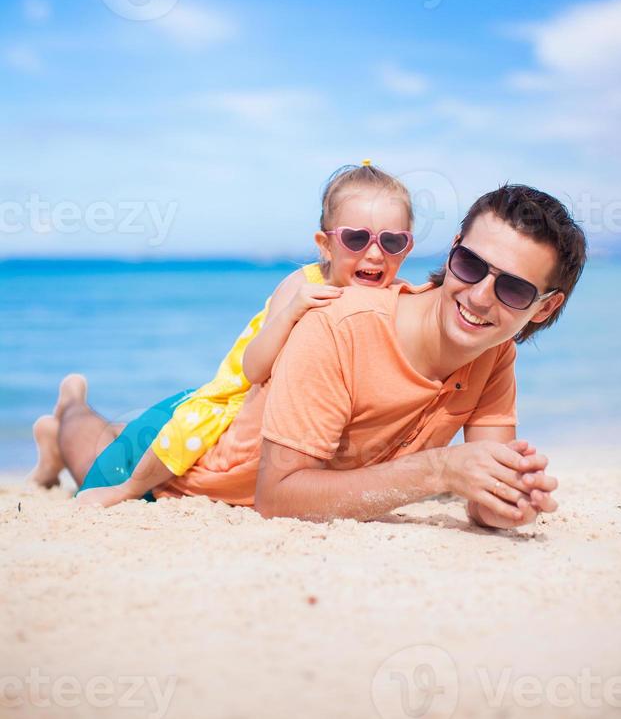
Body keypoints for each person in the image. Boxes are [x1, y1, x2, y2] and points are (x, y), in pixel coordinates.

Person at [35, 183, 586, 530]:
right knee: (94, 450)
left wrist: (506, 494)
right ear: (452, 252)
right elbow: (277, 497)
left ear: (544, 308)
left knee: (112, 434)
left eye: (513, 289)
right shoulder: (338, 324)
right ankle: (67, 412)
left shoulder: (494, 355)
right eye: (470, 265)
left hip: (251, 417)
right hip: (195, 461)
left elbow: (482, 491)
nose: (480, 295)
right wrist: (440, 469)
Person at [31, 161, 415, 504]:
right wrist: (291, 313)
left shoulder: (392, 302)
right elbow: (253, 369)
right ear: (326, 245)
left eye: (393, 241)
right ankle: (69, 410)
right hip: (214, 412)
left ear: (408, 247)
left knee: (124, 438)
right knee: (101, 471)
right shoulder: (301, 286)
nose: (376, 254)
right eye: (356, 238)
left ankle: (55, 440)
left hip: (233, 438)